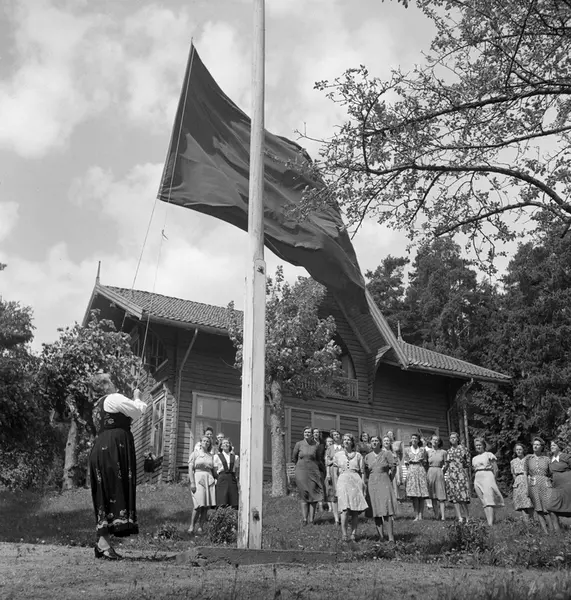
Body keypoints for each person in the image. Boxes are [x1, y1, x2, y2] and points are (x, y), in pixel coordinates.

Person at [89, 373, 147, 560]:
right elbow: (137, 411)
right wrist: (137, 397)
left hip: (101, 448)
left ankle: (103, 543)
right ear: (106, 386)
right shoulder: (113, 398)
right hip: (113, 449)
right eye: (111, 381)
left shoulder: (97, 406)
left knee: (106, 492)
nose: (114, 383)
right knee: (114, 489)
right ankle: (103, 544)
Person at [333, 433, 368, 541]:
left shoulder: (358, 455)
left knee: (354, 509)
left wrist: (363, 484)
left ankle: (353, 533)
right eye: (344, 440)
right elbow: (335, 472)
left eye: (348, 440)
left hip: (355, 481)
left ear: (352, 442)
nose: (346, 441)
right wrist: (336, 485)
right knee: (344, 509)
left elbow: (362, 472)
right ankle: (344, 534)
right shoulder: (338, 455)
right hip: (343, 481)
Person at [365, 435, 397, 542]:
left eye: (376, 441)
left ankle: (391, 538)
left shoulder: (387, 453)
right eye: (372, 441)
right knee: (376, 510)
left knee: (386, 509)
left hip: (384, 481)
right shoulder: (368, 456)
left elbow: (393, 467)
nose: (374, 443)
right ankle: (381, 537)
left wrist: (389, 478)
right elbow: (366, 471)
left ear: (380, 443)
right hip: (372, 483)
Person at [292, 426, 324, 525]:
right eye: (305, 432)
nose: (307, 434)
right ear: (303, 433)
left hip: (313, 471)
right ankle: (304, 519)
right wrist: (300, 466)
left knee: (313, 495)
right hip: (301, 471)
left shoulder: (316, 445)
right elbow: (294, 457)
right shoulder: (299, 444)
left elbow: (318, 459)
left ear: (312, 434)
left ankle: (311, 520)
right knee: (304, 494)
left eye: (309, 432)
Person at [188, 435, 217, 535]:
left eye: (207, 441)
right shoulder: (195, 454)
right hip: (198, 478)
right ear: (200, 442)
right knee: (197, 505)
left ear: (209, 444)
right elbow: (190, 469)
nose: (205, 442)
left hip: (209, 479)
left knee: (205, 506)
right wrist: (192, 482)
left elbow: (214, 470)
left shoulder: (211, 456)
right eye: (204, 441)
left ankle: (201, 527)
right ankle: (192, 526)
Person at [472, 438, 504, 526]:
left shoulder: (488, 455)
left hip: (487, 476)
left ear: (483, 446)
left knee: (489, 500)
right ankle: (490, 519)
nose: (478, 447)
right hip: (478, 478)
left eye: (480, 445)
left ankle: (490, 523)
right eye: (476, 445)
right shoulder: (474, 458)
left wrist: (493, 480)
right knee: (483, 501)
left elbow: (496, 469)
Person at [525, 437, 552, 534]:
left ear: (542, 447)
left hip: (545, 483)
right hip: (533, 484)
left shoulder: (546, 459)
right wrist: (527, 487)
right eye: (534, 444)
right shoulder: (528, 458)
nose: (535, 446)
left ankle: (552, 530)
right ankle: (545, 532)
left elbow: (551, 473)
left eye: (537, 444)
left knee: (547, 508)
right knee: (538, 509)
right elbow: (525, 473)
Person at [443, 431, 470, 523]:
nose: (452, 439)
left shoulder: (463, 449)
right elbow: (447, 464)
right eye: (451, 438)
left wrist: (463, 465)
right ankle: (460, 518)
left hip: (461, 475)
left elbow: (468, 463)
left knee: (462, 497)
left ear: (458, 439)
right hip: (451, 476)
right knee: (454, 498)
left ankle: (467, 517)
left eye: (454, 437)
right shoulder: (448, 451)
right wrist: (443, 473)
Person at [546, 438, 571, 532]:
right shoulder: (550, 459)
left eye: (554, 445)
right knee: (551, 507)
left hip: (568, 486)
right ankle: (558, 533)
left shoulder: (566, 457)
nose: (551, 447)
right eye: (551, 445)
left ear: (559, 447)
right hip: (556, 487)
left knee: (569, 507)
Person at [403, 433, 429, 521]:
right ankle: (416, 515)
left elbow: (425, 461)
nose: (414, 440)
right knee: (414, 495)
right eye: (412, 438)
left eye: (415, 438)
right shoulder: (407, 450)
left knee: (421, 495)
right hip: (412, 471)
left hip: (420, 471)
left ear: (418, 440)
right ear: (411, 440)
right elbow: (406, 462)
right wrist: (410, 469)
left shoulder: (422, 450)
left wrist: (422, 461)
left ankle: (421, 515)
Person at [213, 438, 239, 509]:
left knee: (233, 500)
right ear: (221, 446)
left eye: (227, 443)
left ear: (230, 445)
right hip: (222, 478)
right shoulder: (216, 457)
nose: (226, 444)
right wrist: (219, 478)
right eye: (224, 443)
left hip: (231, 478)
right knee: (222, 500)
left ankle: (232, 514)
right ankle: (221, 514)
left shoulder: (235, 457)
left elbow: (236, 470)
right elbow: (215, 470)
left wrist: (236, 479)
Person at [427, 435, 447, 520]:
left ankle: (443, 516)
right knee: (433, 495)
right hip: (430, 472)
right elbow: (425, 463)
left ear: (439, 442)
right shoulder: (428, 452)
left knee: (441, 495)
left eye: (437, 440)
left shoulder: (443, 452)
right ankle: (436, 515)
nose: (435, 441)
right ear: (430, 441)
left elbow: (446, 464)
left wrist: (442, 472)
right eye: (433, 439)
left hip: (439, 471)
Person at [510, 442, 533, 521]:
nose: (518, 451)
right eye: (517, 450)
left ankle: (532, 521)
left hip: (527, 480)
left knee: (529, 503)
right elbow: (513, 474)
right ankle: (526, 523)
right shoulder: (513, 462)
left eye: (520, 449)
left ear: (523, 450)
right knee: (522, 505)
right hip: (518, 482)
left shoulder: (528, 459)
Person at [325, 430, 343, 525]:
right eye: (334, 435)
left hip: (343, 471)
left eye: (337, 434)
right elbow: (327, 462)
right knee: (333, 494)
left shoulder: (343, 447)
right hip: (333, 472)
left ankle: (343, 516)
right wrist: (328, 474)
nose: (336, 436)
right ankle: (336, 519)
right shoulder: (330, 448)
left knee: (342, 493)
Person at [386, 430, 405, 501]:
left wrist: (398, 461)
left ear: (393, 435)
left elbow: (401, 453)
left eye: (391, 434)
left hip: (396, 462)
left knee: (397, 479)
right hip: (388, 463)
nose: (390, 435)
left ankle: (397, 496)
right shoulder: (385, 444)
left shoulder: (397, 444)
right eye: (388, 434)